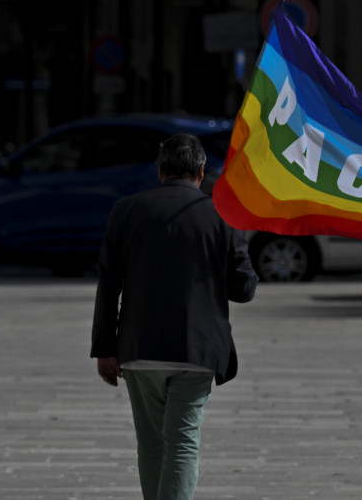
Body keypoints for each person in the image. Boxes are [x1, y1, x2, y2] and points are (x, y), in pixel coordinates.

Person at [90, 133, 258, 500]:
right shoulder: (222, 214)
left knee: (151, 445)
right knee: (182, 443)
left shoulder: (126, 210)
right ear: (202, 171)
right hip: (196, 351)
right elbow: (243, 290)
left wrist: (105, 347)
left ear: (160, 169)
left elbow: (108, 284)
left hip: (139, 347)